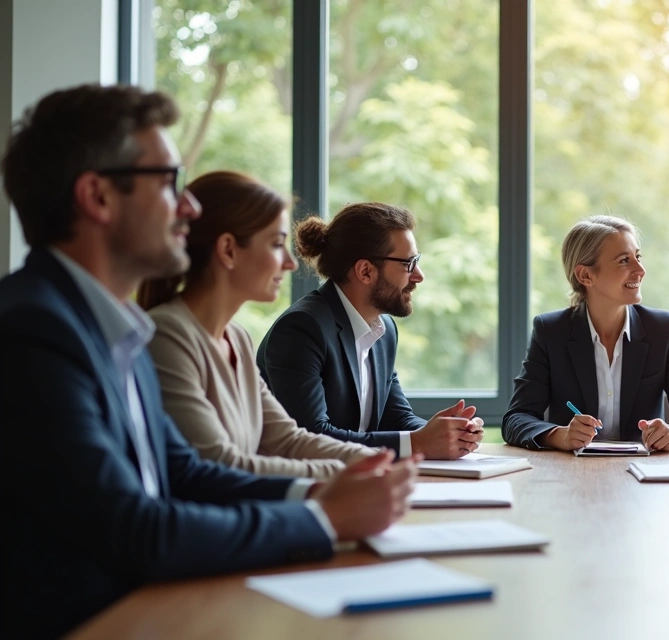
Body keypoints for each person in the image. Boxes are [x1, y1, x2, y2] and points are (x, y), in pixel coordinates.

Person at [0, 84, 417, 637]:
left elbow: (183, 473)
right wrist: (323, 517)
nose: (189, 207)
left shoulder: (117, 329)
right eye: (168, 182)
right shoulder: (33, 331)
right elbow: (133, 528)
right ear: (97, 197)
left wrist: (325, 492)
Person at [138, 170, 378, 479]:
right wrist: (342, 474)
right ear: (228, 250)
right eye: (277, 244)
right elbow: (220, 464)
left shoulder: (236, 337)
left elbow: (287, 440)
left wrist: (374, 461)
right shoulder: (167, 336)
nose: (290, 263)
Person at [256, 202, 483, 459]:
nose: (419, 275)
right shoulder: (302, 328)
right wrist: (419, 443)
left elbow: (395, 417)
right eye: (408, 263)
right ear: (365, 271)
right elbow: (311, 438)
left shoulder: (384, 329)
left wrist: (451, 434)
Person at [502, 215, 669, 450]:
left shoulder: (663, 330)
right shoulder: (551, 332)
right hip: (573, 469)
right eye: (624, 261)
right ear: (586, 275)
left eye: (638, 257)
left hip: (643, 469)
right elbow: (516, 419)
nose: (640, 270)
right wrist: (560, 436)